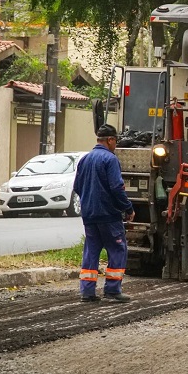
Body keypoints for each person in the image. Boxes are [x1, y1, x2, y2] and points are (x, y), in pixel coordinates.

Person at [73, 124, 135, 303]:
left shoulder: (85, 159)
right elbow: (116, 187)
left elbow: (77, 187)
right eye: (115, 141)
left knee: (91, 251)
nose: (115, 145)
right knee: (117, 249)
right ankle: (113, 290)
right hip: (108, 215)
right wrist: (128, 208)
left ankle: (87, 292)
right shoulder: (110, 159)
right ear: (110, 140)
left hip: (89, 216)